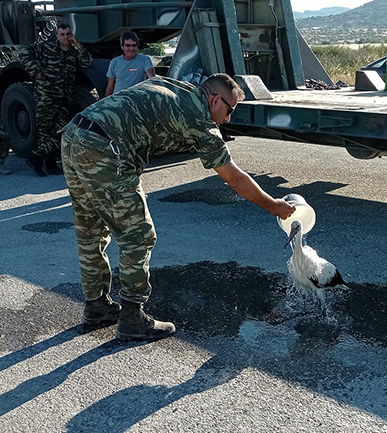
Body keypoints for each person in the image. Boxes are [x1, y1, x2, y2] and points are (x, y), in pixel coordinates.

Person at [60, 73, 295, 340]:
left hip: (74, 134)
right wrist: (274, 206)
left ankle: (97, 307)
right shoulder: (199, 120)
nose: (228, 119)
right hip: (106, 147)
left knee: (91, 230)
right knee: (138, 236)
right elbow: (236, 179)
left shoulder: (178, 87)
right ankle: (132, 318)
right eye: (229, 111)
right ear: (215, 99)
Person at [23, 23, 93, 176]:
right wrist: (36, 71)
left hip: (64, 98)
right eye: (63, 34)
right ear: (57, 36)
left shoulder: (74, 52)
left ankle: (36, 157)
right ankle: (47, 163)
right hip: (46, 97)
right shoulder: (46, 48)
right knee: (44, 131)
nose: (66, 37)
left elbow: (87, 62)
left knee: (60, 130)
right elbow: (24, 53)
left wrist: (78, 44)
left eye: (68, 34)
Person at [105, 31, 155, 97]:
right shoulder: (114, 62)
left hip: (136, 98)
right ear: (122, 47)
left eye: (134, 45)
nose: (131, 49)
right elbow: (110, 87)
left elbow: (151, 77)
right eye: (128, 45)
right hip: (119, 99)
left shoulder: (145, 59)